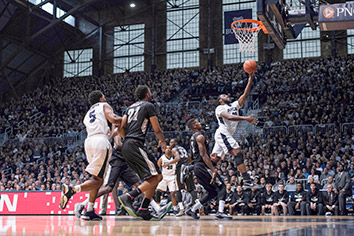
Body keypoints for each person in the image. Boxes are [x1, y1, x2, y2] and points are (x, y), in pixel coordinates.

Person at [60, 90, 122, 221]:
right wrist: (127, 120)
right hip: (100, 142)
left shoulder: (88, 113)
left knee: (97, 179)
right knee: (98, 180)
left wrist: (114, 132)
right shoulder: (104, 105)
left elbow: (108, 133)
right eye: (104, 96)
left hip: (89, 143)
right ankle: (72, 189)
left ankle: (89, 210)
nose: (105, 98)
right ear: (100, 98)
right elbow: (114, 119)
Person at [118, 85, 171, 221]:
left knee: (151, 178)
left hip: (127, 145)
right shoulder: (148, 105)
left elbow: (121, 128)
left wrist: (127, 139)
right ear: (147, 94)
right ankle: (129, 197)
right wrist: (163, 142)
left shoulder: (129, 108)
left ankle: (143, 209)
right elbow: (156, 129)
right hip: (136, 144)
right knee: (158, 177)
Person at [210, 73, 258, 188]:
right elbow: (229, 117)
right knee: (237, 152)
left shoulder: (234, 105)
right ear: (220, 100)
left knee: (215, 159)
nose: (227, 96)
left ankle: (197, 169)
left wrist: (250, 79)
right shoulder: (220, 108)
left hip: (226, 134)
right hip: (222, 132)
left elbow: (245, 95)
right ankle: (246, 180)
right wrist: (246, 118)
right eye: (224, 96)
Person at [185, 119, 231, 220]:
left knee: (212, 192)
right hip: (202, 167)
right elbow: (203, 155)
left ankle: (192, 209)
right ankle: (220, 212)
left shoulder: (193, 138)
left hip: (197, 167)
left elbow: (195, 155)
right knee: (222, 187)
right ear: (193, 126)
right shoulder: (200, 137)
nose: (200, 123)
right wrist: (213, 169)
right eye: (197, 122)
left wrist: (210, 158)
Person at [169, 139, 194, 216]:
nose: (170, 143)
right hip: (188, 167)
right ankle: (194, 208)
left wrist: (168, 164)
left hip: (181, 168)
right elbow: (190, 159)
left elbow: (178, 158)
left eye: (172, 142)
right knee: (191, 189)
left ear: (175, 142)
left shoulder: (174, 149)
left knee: (178, 188)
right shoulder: (182, 148)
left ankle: (181, 209)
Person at [156, 146, 179, 215]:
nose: (168, 150)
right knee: (158, 191)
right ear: (164, 150)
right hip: (164, 176)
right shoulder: (162, 158)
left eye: (169, 149)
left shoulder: (174, 158)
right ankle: (157, 208)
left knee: (172, 193)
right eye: (167, 149)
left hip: (172, 176)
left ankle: (175, 208)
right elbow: (157, 165)